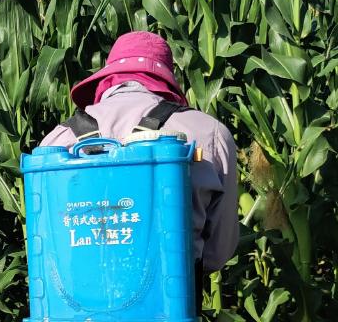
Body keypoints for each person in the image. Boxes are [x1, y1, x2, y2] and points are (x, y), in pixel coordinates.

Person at [40, 31, 239, 311]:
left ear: (109, 77)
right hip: (169, 309)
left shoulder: (57, 141)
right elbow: (219, 252)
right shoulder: (209, 133)